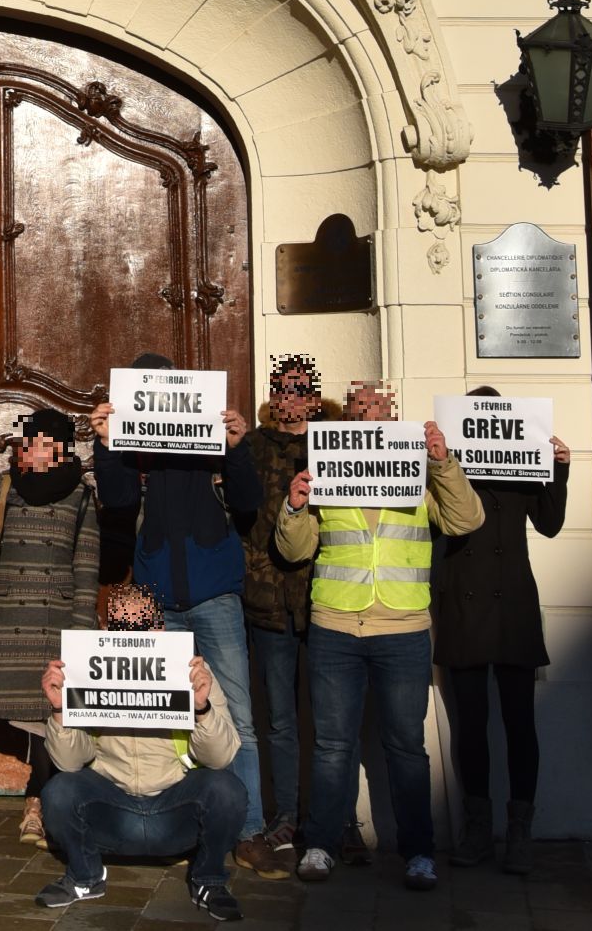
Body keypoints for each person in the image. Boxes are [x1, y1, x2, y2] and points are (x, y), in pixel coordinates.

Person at [276, 379, 484, 891]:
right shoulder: (328, 468)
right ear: (347, 416)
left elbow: (465, 519)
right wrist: (296, 507)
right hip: (335, 626)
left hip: (403, 629)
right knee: (331, 746)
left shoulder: (417, 470)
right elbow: (296, 551)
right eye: (360, 407)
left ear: (393, 414)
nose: (370, 414)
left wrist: (441, 463)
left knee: (406, 747)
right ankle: (321, 846)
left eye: (379, 406)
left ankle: (419, 853)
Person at [92, 354, 276, 878]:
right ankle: (185, 825)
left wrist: (236, 450)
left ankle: (249, 830)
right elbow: (120, 501)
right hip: (157, 602)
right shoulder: (134, 444)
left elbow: (247, 502)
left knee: (237, 716)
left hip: (215, 596)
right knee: (167, 714)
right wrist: (107, 445)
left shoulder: (208, 438)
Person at [37, 580, 246, 922]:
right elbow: (68, 762)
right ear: (105, 628)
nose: (132, 635)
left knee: (227, 788)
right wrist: (61, 711)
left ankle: (209, 880)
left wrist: (202, 710)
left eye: (142, 626)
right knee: (59, 790)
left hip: (174, 807)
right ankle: (85, 877)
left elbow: (221, 758)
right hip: (112, 809)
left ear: (160, 627)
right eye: (122, 626)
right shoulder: (84, 672)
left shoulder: (194, 672)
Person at [436, 384, 570, 874]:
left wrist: (558, 468)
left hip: (512, 601)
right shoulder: (446, 466)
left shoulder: (524, 465)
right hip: (461, 603)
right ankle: (477, 831)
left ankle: (519, 833)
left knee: (520, 723)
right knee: (469, 724)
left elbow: (551, 523)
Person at [0, 407, 100, 848]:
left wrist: (83, 630)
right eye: (31, 443)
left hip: (57, 621)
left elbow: (86, 569)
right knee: (31, 717)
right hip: (11, 621)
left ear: (63, 450)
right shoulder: (4, 489)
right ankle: (42, 802)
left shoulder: (81, 496)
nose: (38, 451)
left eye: (47, 443)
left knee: (54, 714)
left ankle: (37, 804)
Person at [241, 353, 320, 873]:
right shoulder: (253, 446)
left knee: (332, 720)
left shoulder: (336, 444)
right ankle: (287, 815)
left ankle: (333, 817)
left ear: (315, 397)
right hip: (269, 603)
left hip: (327, 602)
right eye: (281, 388)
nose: (289, 397)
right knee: (280, 722)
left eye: (299, 388)